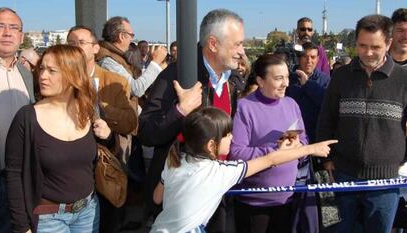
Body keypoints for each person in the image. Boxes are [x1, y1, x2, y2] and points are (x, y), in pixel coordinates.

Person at [138, 8, 244, 232]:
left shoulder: (232, 80)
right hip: (180, 203)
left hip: (216, 195)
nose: (242, 52)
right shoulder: (176, 75)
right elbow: (147, 132)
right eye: (237, 44)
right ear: (213, 44)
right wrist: (180, 110)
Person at [150, 107, 337, 233]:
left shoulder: (175, 160)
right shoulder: (220, 173)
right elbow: (270, 160)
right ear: (211, 145)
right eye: (227, 135)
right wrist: (311, 149)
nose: (232, 137)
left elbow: (157, 198)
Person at [316, 14, 407, 233]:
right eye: (362, 45)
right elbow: (326, 118)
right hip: (340, 175)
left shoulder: (404, 79)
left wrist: (402, 162)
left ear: (388, 43)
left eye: (375, 47)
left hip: (386, 181)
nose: (367, 53)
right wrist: (325, 160)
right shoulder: (341, 76)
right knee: (335, 229)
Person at [5, 45, 111, 233]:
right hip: (48, 219)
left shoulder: (88, 110)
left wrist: (108, 135)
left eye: (52, 71)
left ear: (74, 75)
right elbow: (14, 175)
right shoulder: (27, 117)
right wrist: (22, 227)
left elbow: (98, 155)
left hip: (89, 211)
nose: (43, 76)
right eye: (42, 69)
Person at [229, 54, 315, 233]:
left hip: (288, 199)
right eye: (278, 78)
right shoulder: (244, 107)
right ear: (260, 81)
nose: (286, 83)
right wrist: (275, 151)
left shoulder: (292, 104)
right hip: (253, 202)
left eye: (286, 77)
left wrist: (297, 146)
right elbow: (237, 154)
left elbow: (305, 142)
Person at [67, 25, 139, 233]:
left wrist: (101, 108)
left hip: (103, 166)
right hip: (68, 168)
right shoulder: (60, 79)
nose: (75, 47)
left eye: (81, 43)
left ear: (95, 48)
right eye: (71, 43)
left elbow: (130, 122)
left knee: (107, 222)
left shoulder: (115, 81)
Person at [0, 7, 35, 233]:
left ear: (21, 36)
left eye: (14, 28)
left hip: (18, 179)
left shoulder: (25, 73)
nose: (7, 33)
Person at [96, 16, 167, 98]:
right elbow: (136, 89)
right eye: (131, 35)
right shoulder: (108, 61)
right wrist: (156, 63)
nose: (131, 39)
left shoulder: (116, 57)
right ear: (121, 36)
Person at [287, 42, 329, 143]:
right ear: (299, 58)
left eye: (313, 57)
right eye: (305, 57)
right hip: (292, 136)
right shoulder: (288, 79)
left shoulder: (325, 80)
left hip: (316, 135)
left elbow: (326, 104)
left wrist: (307, 84)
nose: (309, 61)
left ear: (318, 59)